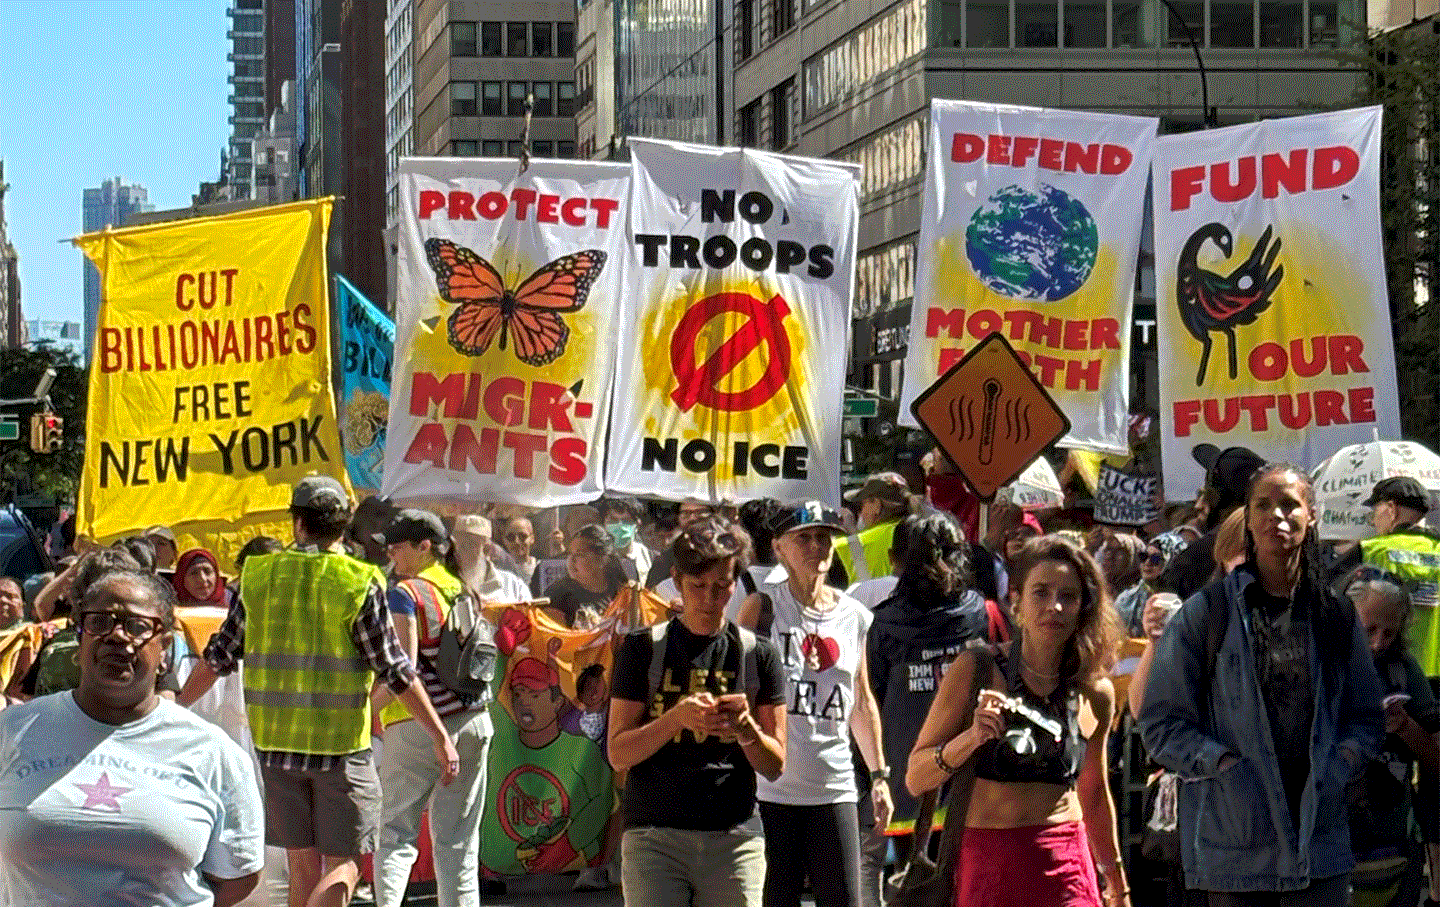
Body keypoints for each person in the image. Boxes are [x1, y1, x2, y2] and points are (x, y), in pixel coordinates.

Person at [179, 476, 460, 907]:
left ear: (296, 521)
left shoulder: (257, 575)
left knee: (302, 867)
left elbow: (218, 658)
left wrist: (176, 708)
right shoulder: (357, 580)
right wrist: (440, 736)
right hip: (341, 750)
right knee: (344, 866)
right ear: (344, 524)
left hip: (275, 750)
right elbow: (396, 670)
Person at [1140, 464, 1385, 906]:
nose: (1278, 515)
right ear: (1248, 521)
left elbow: (1365, 717)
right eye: (1263, 505)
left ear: (1311, 516)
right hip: (1235, 858)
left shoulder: (1337, 615)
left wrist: (1341, 764)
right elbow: (1161, 724)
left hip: (1320, 850)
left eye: (1290, 504)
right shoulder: (1206, 614)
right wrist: (1225, 765)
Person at [0, 567, 263, 906]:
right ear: (79, 639)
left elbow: (236, 878)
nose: (117, 636)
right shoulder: (14, 731)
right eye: (100, 622)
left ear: (165, 647)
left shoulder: (212, 751)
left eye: (137, 626)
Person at [906, 535, 1127, 907]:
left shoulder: (1094, 691)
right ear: (1016, 601)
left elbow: (1094, 792)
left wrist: (1118, 882)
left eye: (1068, 596)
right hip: (990, 863)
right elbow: (916, 778)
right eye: (1040, 592)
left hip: (1067, 866)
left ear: (1082, 608)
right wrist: (971, 739)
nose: (1054, 606)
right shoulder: (977, 670)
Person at [609, 517, 787, 907]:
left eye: (722, 587)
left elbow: (775, 765)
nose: (709, 599)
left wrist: (745, 728)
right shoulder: (643, 649)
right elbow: (618, 752)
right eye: (698, 586)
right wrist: (674, 719)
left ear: (736, 582)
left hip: (734, 837)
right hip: (654, 837)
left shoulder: (758, 654)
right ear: (676, 579)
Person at [738, 500, 892, 907]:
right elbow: (734, 690)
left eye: (824, 539)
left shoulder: (854, 616)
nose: (816, 548)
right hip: (771, 791)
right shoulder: (762, 608)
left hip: (835, 787)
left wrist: (878, 777)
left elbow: (861, 701)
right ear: (779, 548)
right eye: (803, 538)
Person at [863, 512, 992, 907]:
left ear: (895, 560)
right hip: (969, 772)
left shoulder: (883, 624)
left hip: (908, 776)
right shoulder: (978, 614)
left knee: (913, 888)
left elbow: (872, 697)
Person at [371, 510, 494, 907]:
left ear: (425, 547)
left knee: (395, 834)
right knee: (458, 841)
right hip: (474, 720)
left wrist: (363, 708)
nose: (390, 550)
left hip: (416, 725)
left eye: (398, 543)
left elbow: (401, 670)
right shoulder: (461, 588)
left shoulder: (406, 594)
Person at [1345, 569, 1440, 907]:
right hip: (1334, 836)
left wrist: (1405, 727)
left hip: (1394, 836)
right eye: (1369, 629)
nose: (1377, 643)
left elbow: (1435, 758)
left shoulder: (1403, 668)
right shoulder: (1324, 664)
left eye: (1389, 633)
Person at [1160, 445, 1267, 601]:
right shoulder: (1280, 542)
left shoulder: (1195, 558)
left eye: (1207, 494)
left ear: (1218, 499)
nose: (1198, 506)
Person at [542, 524, 631, 628]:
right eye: (570, 553)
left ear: (603, 560)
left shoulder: (621, 592)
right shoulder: (558, 594)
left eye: (580, 554)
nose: (571, 560)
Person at [836, 472, 915, 585]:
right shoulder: (914, 528)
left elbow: (824, 549)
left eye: (862, 505)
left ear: (877, 505)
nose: (861, 512)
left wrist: (840, 528)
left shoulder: (865, 541)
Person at [447, 514, 532, 604]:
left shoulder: (514, 587)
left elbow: (529, 615)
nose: (457, 552)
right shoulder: (443, 582)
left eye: (468, 545)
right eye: (454, 545)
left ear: (486, 550)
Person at [1114, 534, 1184, 638]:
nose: (1147, 563)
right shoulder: (1126, 600)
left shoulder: (1184, 604)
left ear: (1172, 561)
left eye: (1155, 559)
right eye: (1144, 556)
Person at [598, 496, 653, 584]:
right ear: (603, 524)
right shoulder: (597, 558)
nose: (620, 526)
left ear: (637, 524)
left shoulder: (648, 555)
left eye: (626, 520)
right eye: (613, 520)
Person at [1100, 533, 1145, 601]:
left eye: (1118, 550)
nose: (1109, 556)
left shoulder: (1139, 598)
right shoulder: (1097, 588)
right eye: (1107, 549)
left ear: (1132, 557)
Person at [496, 516, 539, 584]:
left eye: (522, 536)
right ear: (504, 540)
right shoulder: (497, 571)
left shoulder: (540, 568)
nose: (516, 541)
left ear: (532, 538)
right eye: (511, 537)